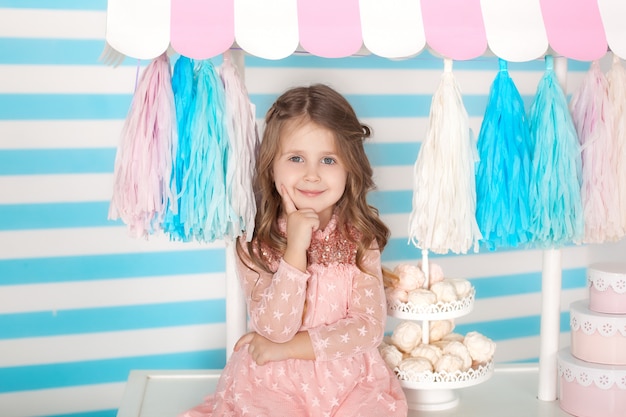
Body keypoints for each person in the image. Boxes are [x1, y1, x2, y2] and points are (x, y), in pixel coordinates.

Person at [180, 84, 408, 417]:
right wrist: (295, 251)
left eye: (328, 159)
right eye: (296, 158)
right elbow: (274, 328)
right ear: (271, 166)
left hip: (348, 377)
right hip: (273, 381)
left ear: (349, 169)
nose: (311, 175)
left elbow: (368, 327)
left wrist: (285, 349)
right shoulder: (255, 241)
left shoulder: (359, 238)